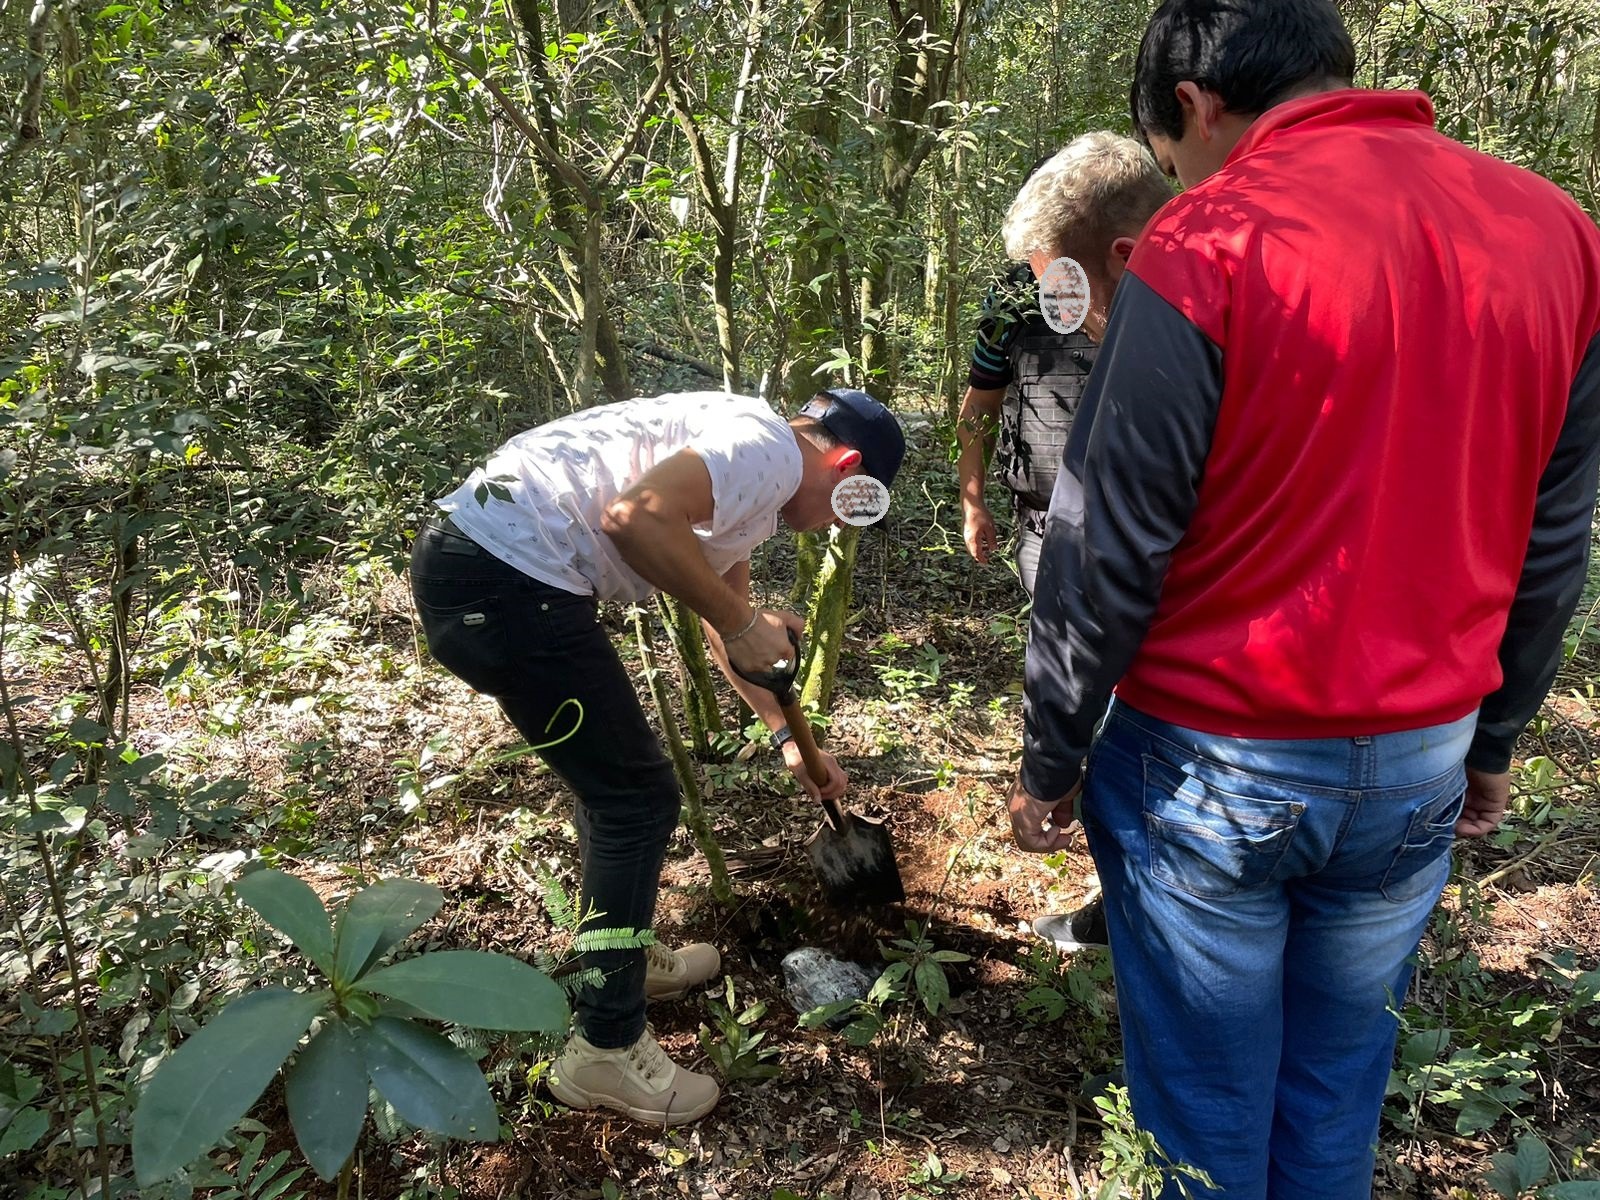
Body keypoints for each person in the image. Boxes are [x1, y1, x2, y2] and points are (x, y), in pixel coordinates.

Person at [1006, 0, 1600, 1195]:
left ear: (1193, 104)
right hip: (1421, 756)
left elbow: (1106, 536)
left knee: (1206, 1111)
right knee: (1333, 1087)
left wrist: (1051, 754)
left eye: (1169, 152)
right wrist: (1494, 736)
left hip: (1213, 764)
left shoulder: (1208, 237)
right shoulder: (1555, 232)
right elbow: (1554, 530)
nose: (1180, 175)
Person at [411, 387, 905, 1126]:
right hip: (505, 580)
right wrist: (747, 622)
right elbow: (633, 518)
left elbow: (724, 622)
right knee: (635, 800)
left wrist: (787, 736)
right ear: (845, 464)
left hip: (487, 570)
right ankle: (606, 1046)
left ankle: (625, 957)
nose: (839, 523)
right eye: (853, 504)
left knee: (613, 787)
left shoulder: (745, 474)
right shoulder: (768, 450)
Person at [954, 133, 1172, 951]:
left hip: (1147, 530)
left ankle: (1126, 890)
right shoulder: (1014, 299)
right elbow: (978, 404)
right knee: (1092, 683)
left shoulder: (1181, 300)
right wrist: (973, 500)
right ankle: (1110, 863)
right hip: (1047, 521)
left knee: (1133, 697)